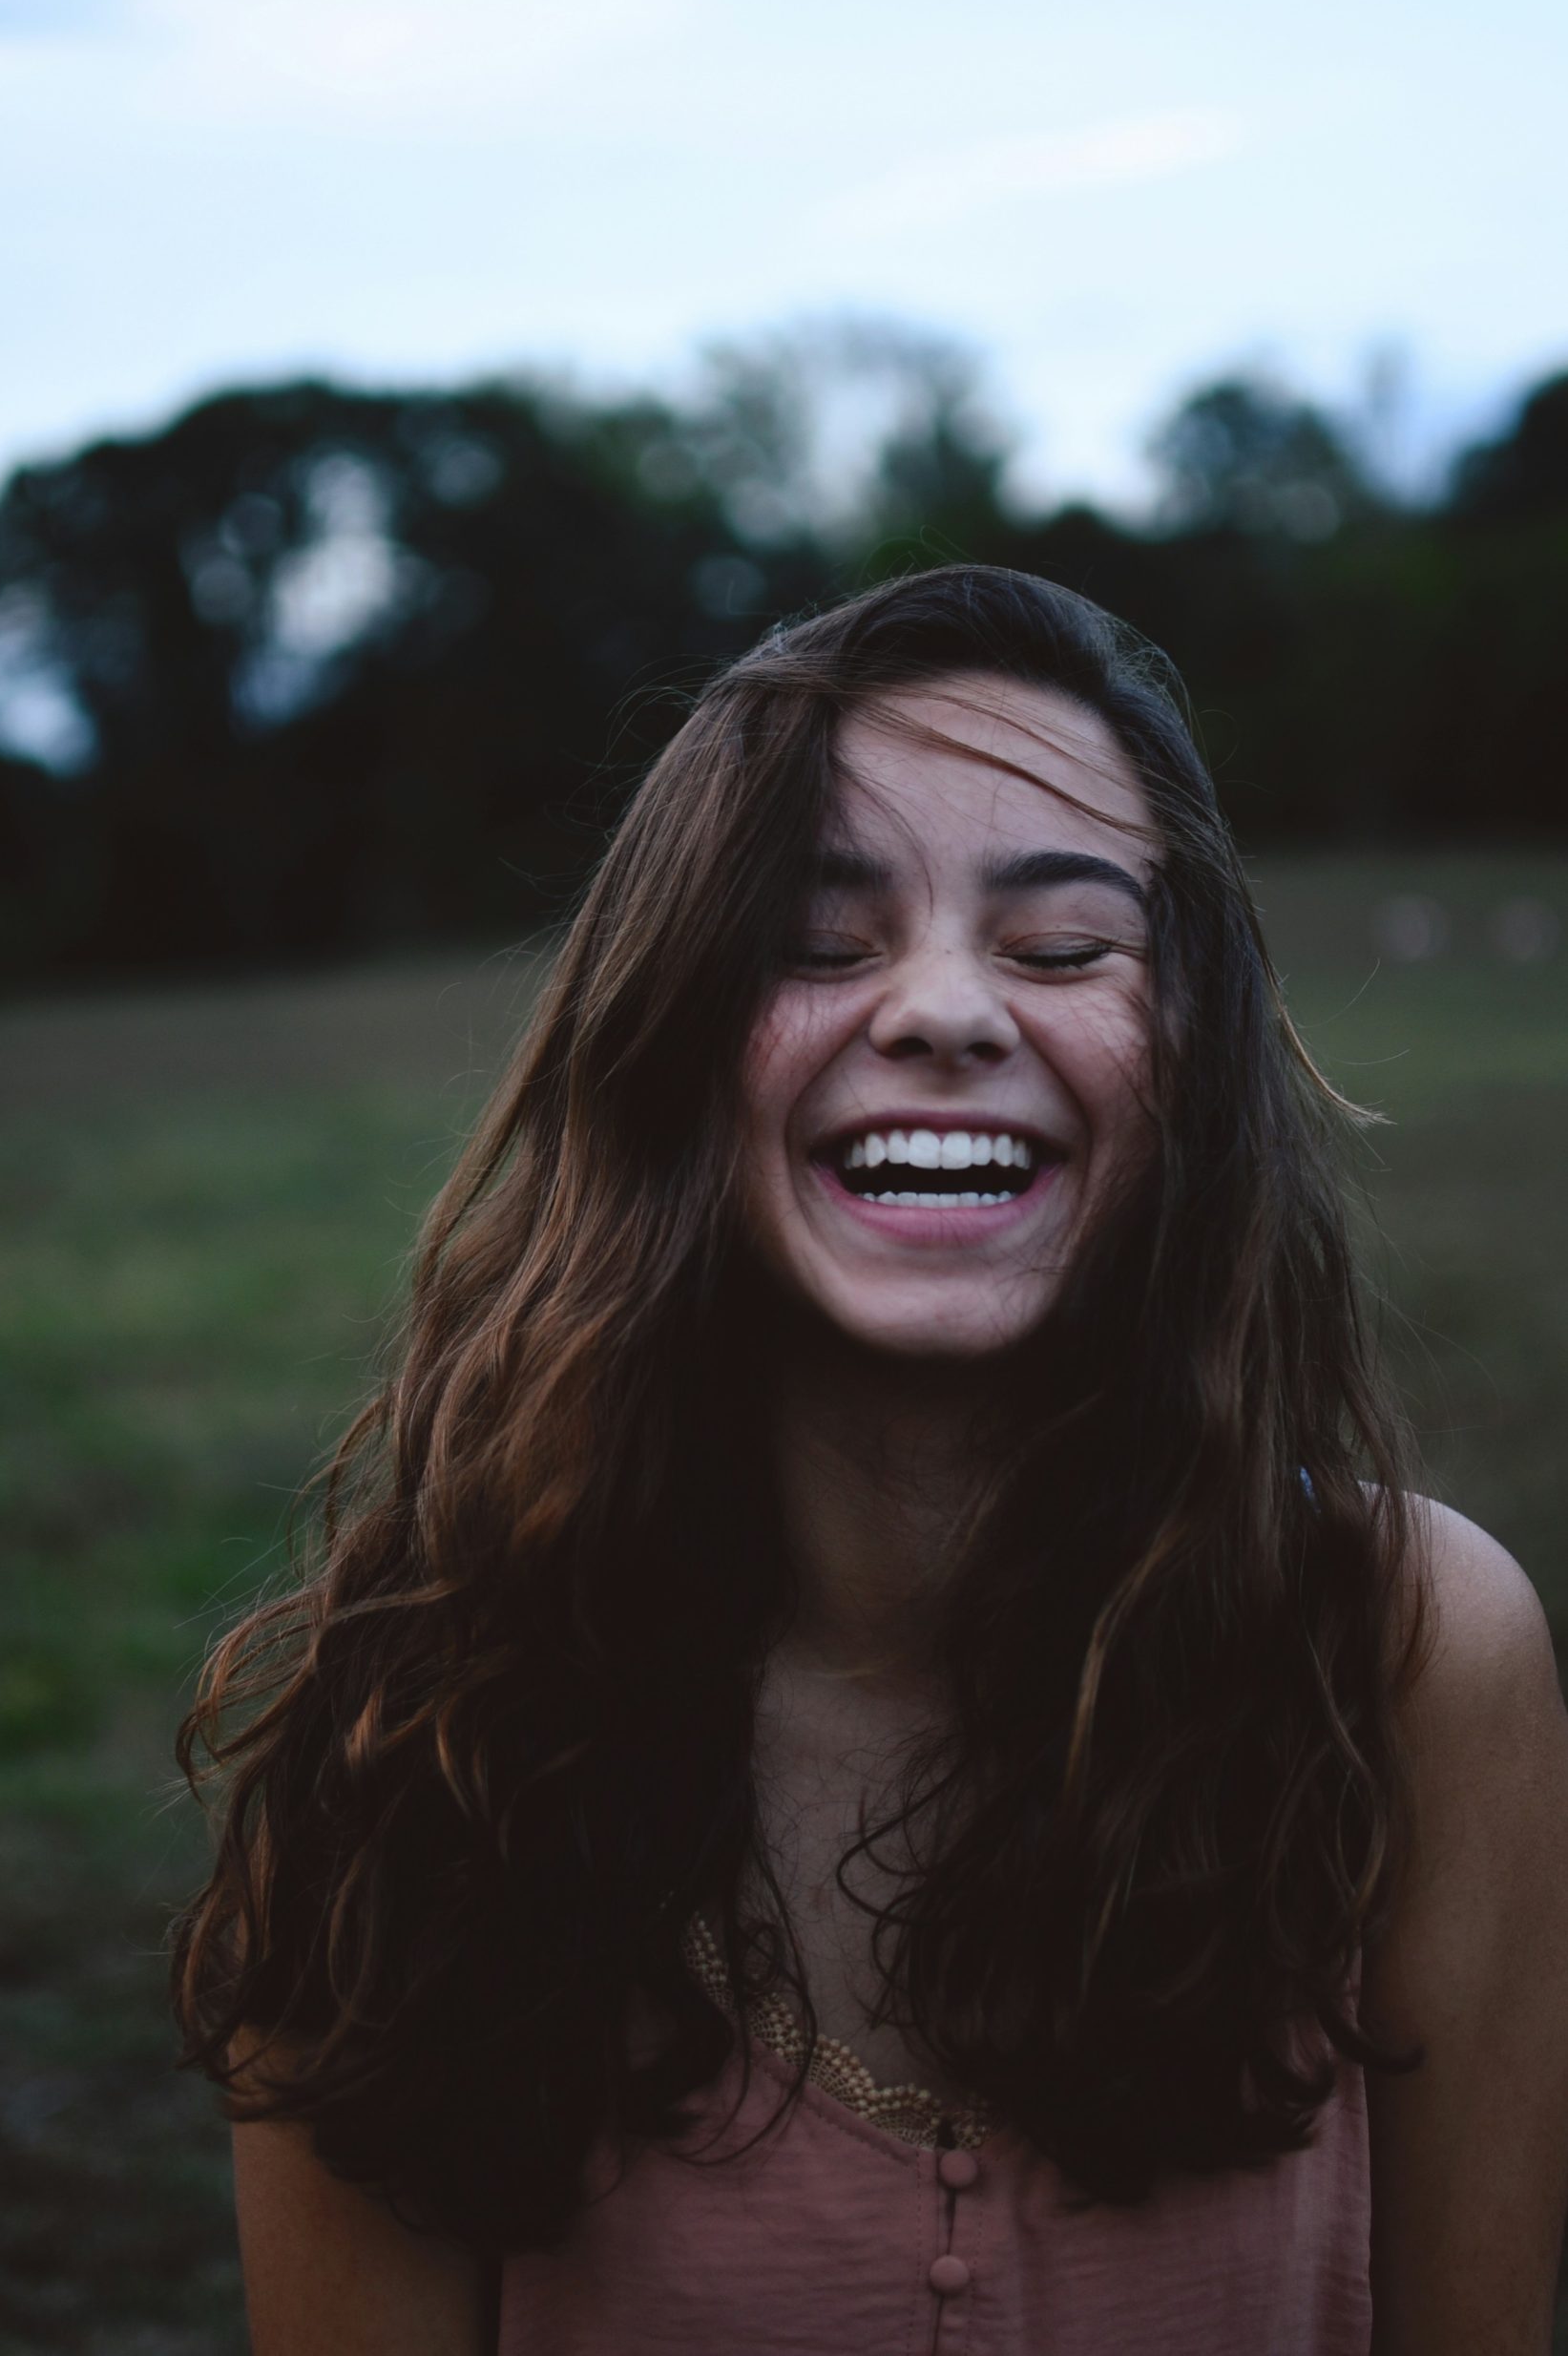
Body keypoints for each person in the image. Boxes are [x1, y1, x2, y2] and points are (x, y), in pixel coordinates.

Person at [170, 564, 1568, 2354]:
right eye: (818, 944)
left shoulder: (1418, 1660)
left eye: (1063, 947)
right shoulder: (408, 1748)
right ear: (671, 1049)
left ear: (1191, 1052)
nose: (945, 1013)